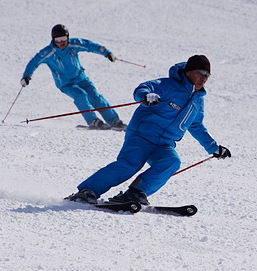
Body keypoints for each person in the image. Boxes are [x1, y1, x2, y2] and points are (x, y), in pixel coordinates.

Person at [66, 55, 231, 205]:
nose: (204, 78)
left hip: (164, 144)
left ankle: (135, 192)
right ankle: (87, 191)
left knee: (171, 162)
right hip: (142, 135)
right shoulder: (168, 85)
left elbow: (196, 126)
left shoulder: (197, 101)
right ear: (188, 71)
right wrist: (146, 96)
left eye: (207, 75)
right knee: (129, 165)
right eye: (200, 72)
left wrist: (214, 148)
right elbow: (142, 88)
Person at [21, 24, 125, 129]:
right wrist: (26, 76)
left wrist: (106, 53)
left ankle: (114, 121)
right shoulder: (48, 52)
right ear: (53, 40)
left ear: (68, 37)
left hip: (81, 78)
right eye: (58, 40)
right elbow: (34, 62)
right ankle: (93, 121)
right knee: (81, 95)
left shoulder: (73, 45)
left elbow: (89, 45)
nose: (61, 42)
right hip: (65, 84)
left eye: (64, 39)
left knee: (95, 97)